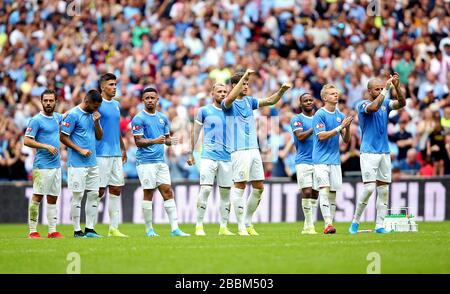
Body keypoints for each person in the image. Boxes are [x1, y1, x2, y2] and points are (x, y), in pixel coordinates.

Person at [222, 69, 292, 236]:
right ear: (234, 86)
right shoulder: (228, 103)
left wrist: (281, 91)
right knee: (239, 185)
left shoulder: (249, 101)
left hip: (254, 149)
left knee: (259, 186)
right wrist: (245, 76)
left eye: (247, 83)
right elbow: (230, 97)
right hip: (238, 150)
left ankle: (247, 221)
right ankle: (240, 227)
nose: (246, 86)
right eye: (243, 83)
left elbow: (269, 101)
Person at [349, 72, 406, 234]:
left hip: (384, 152)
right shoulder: (361, 105)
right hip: (368, 152)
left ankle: (379, 225)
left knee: (384, 190)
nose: (380, 90)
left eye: (381, 88)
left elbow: (402, 103)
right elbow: (373, 107)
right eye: (377, 89)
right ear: (369, 91)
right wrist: (386, 90)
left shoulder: (386, 103)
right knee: (368, 189)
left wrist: (397, 87)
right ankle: (355, 221)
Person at [131, 87, 190, 237]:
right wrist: (156, 141)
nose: (150, 100)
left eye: (152, 98)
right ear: (143, 100)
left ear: (158, 100)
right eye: (147, 98)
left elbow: (165, 139)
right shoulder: (138, 118)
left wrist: (172, 141)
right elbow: (138, 141)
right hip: (145, 162)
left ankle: (175, 229)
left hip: (160, 161)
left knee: (168, 191)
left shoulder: (163, 118)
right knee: (149, 193)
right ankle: (149, 229)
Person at [187, 83, 234, 236]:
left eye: (225, 92)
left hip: (227, 157)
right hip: (208, 156)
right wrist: (190, 153)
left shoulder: (232, 110)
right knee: (206, 189)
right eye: (219, 91)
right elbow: (195, 133)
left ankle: (223, 227)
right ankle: (199, 225)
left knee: (225, 193)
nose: (222, 94)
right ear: (212, 94)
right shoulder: (204, 111)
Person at [60, 90, 103, 238]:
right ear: (86, 101)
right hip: (77, 163)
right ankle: (77, 230)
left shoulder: (93, 115)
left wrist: (97, 122)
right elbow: (63, 137)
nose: (96, 109)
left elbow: (99, 136)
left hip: (92, 162)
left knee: (93, 194)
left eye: (98, 106)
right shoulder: (73, 114)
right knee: (78, 195)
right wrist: (80, 150)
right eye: (94, 106)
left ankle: (90, 229)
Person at [312, 84, 352, 234]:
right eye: (332, 93)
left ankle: (331, 224)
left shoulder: (340, 115)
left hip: (335, 159)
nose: (336, 95)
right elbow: (321, 136)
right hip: (320, 159)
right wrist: (340, 127)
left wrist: (347, 127)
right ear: (324, 97)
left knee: (333, 193)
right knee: (324, 190)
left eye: (337, 93)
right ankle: (327, 224)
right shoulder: (319, 115)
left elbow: (346, 140)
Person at [24, 89, 63, 239]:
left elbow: (69, 114)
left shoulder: (57, 118)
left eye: (51, 100)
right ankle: (32, 231)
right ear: (41, 102)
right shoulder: (36, 120)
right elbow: (27, 140)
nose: (48, 103)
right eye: (45, 100)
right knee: (37, 197)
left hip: (56, 166)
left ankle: (52, 231)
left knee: (53, 197)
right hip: (41, 166)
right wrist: (45, 146)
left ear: (55, 102)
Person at [96, 73, 128, 237]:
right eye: (111, 85)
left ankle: (113, 228)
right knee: (99, 191)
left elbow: (115, 129)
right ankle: (90, 227)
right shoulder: (97, 104)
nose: (114, 87)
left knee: (116, 188)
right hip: (101, 153)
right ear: (102, 87)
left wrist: (123, 148)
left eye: (115, 84)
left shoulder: (116, 105)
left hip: (115, 153)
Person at [290, 92, 319, 235]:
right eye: (305, 100)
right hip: (303, 160)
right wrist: (316, 128)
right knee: (306, 191)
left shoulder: (319, 118)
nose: (308, 102)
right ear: (300, 104)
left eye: (310, 100)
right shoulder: (297, 118)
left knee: (315, 193)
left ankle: (308, 225)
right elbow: (300, 137)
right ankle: (309, 226)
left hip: (319, 161)